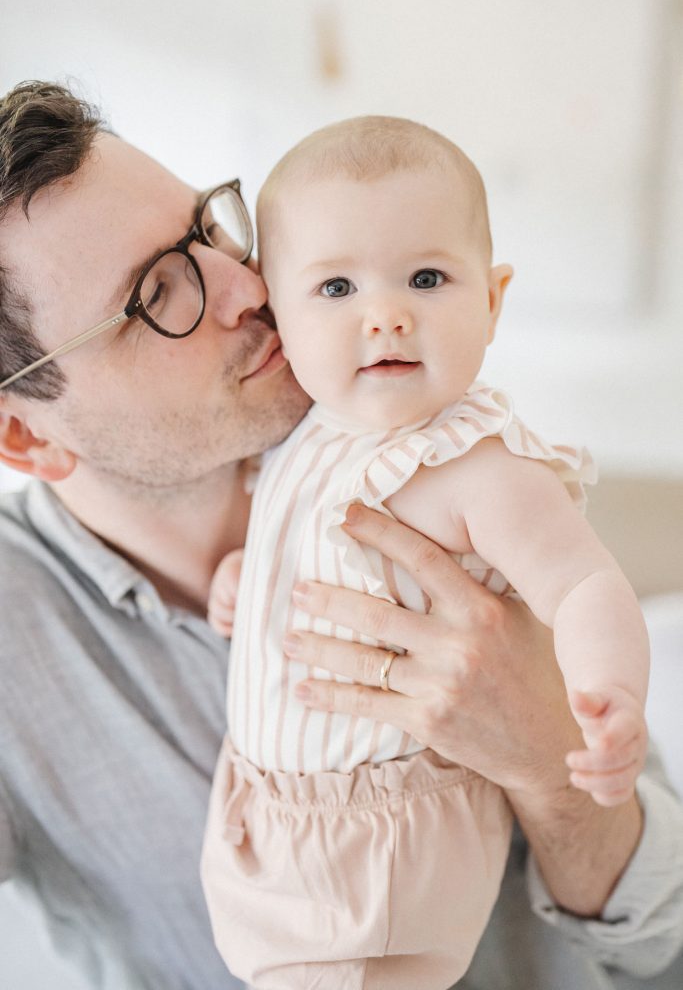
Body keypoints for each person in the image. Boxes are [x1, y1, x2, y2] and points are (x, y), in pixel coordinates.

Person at [0, 81, 680, 990]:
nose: (250, 287)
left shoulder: (409, 455)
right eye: (157, 293)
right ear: (26, 437)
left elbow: (658, 945)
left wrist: (550, 766)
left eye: (208, 229)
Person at [200, 117, 650, 989]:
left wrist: (611, 696)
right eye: (336, 287)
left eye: (427, 278)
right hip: (261, 812)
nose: (386, 316)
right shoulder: (305, 436)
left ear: (492, 300)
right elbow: (311, 547)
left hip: (393, 841)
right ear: (277, 315)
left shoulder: (477, 465)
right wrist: (248, 579)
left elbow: (584, 583)